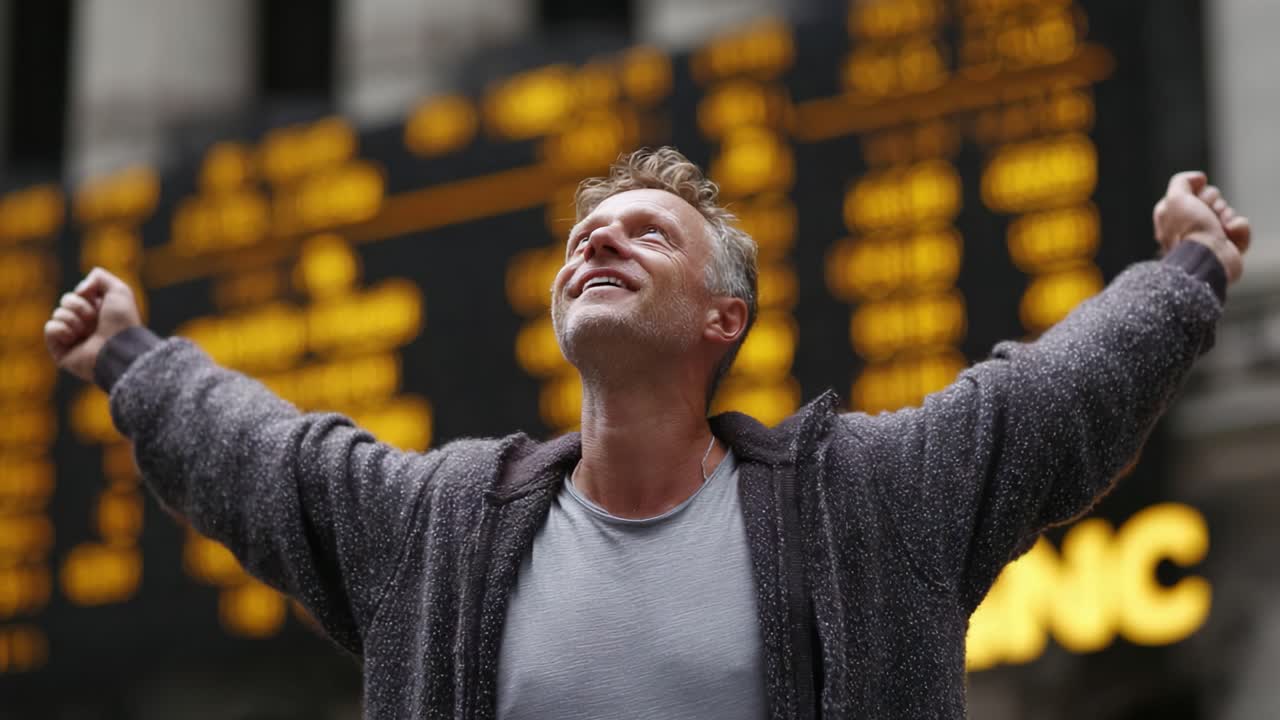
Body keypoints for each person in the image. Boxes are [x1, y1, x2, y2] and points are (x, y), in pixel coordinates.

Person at [45, 147, 1250, 719]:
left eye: (647, 233)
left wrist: (1187, 270)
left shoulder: (862, 505)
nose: (598, 241)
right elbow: (268, 461)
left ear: (723, 318)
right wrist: (131, 357)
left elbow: (1048, 400)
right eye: (585, 236)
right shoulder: (441, 528)